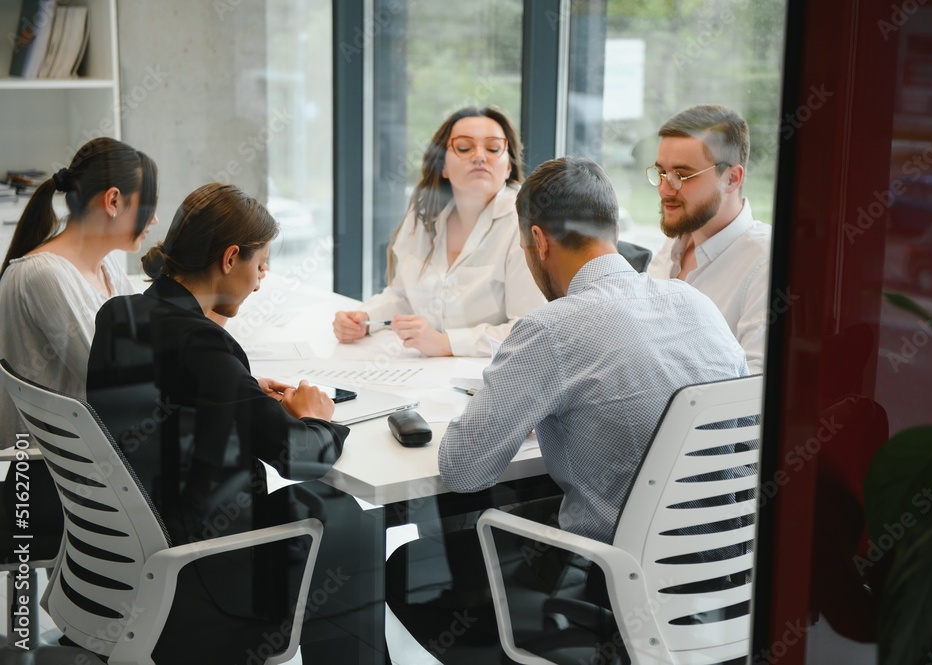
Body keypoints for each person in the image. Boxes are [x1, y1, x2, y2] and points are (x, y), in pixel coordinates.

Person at [388, 157, 748, 663]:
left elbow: (464, 468)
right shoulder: (697, 306)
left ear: (539, 241)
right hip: (723, 581)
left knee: (412, 567)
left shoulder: (553, 330)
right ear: (614, 228)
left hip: (615, 589)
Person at [86, 183, 361, 663]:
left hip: (126, 555)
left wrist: (238, 389)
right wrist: (318, 419)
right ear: (230, 258)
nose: (260, 281)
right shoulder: (203, 344)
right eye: (260, 265)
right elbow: (298, 457)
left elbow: (169, 397)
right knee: (336, 511)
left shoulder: (118, 314)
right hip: (207, 568)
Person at [0, 137, 158, 547]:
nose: (154, 219)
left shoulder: (104, 268)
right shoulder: (43, 276)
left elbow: (146, 352)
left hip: (88, 468)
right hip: (48, 480)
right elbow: (115, 381)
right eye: (149, 205)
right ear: (113, 201)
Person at [333, 106, 546, 357]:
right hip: (421, 368)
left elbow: (528, 331)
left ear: (508, 167)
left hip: (485, 377)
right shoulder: (423, 215)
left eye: (493, 148)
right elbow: (403, 295)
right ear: (443, 166)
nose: (479, 156)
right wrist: (365, 317)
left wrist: (445, 343)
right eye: (464, 148)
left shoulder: (522, 225)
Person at [645, 105, 773, 373]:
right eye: (660, 172)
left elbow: (753, 391)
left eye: (681, 175)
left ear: (731, 179)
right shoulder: (677, 240)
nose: (664, 189)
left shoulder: (765, 264)